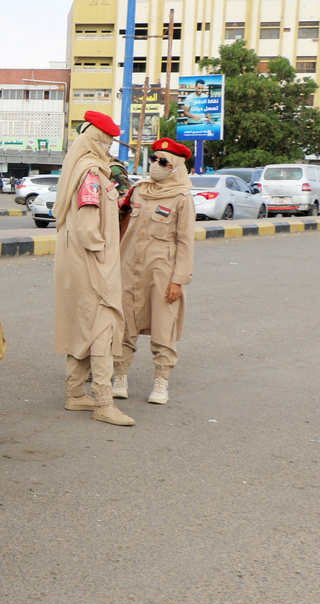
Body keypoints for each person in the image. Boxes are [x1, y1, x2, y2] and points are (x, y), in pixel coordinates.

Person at [53, 111, 134, 426]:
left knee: (84, 325)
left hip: (79, 262)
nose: (112, 144)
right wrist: (103, 258)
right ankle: (103, 402)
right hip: (91, 264)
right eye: (109, 138)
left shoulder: (84, 168)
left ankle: (75, 394)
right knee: (103, 327)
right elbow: (89, 228)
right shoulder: (90, 173)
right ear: (98, 139)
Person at [113, 138, 195, 405]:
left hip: (161, 273)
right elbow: (119, 228)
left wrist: (178, 280)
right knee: (123, 325)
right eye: (154, 159)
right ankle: (120, 377)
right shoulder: (137, 191)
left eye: (163, 162)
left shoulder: (182, 197)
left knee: (163, 327)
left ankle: (161, 382)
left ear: (176, 167)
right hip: (127, 269)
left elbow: (185, 241)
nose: (156, 166)